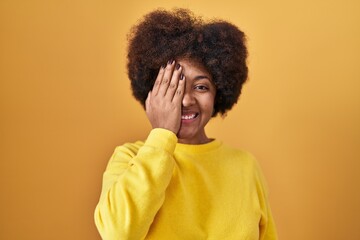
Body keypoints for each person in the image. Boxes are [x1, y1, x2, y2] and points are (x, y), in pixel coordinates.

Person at [94, 8, 278, 240]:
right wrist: (162, 135)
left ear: (218, 93)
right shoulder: (128, 158)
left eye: (201, 87)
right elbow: (118, 233)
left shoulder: (246, 167)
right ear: (153, 94)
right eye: (173, 86)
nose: (186, 99)